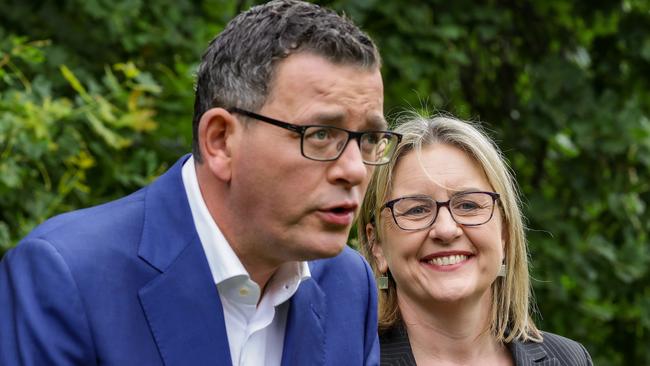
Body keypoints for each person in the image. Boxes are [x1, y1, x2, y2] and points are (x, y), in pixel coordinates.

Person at [0, 1, 403, 364]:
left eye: (369, 139)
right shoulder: (70, 275)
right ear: (221, 141)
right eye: (320, 134)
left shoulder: (349, 284)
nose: (353, 169)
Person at [357, 114, 593, 365]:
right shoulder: (351, 359)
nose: (446, 230)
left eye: (468, 205)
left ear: (504, 232)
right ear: (377, 245)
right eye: (416, 210)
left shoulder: (570, 359)